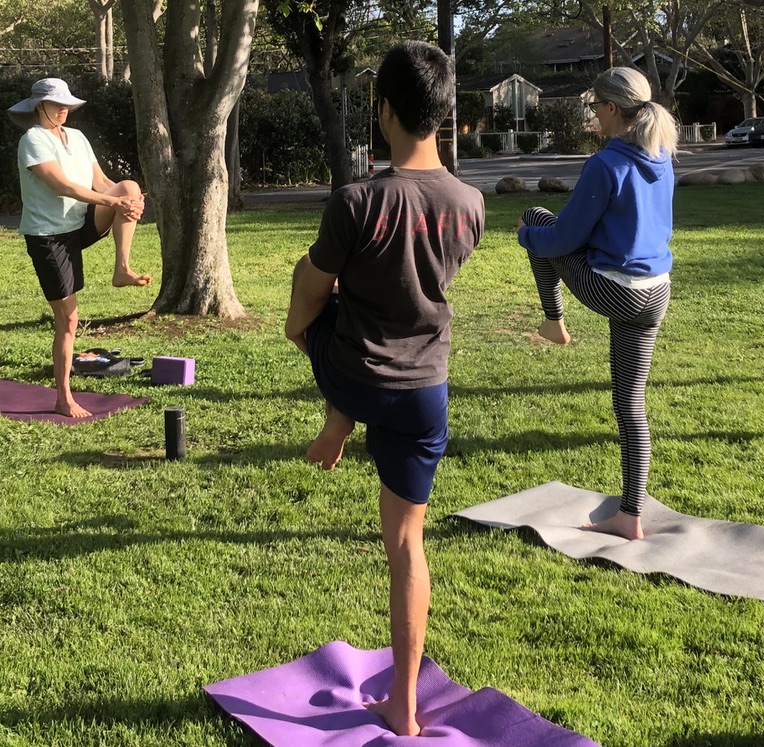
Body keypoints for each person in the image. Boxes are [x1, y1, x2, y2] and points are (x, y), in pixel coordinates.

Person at [284, 41, 484, 736]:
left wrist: (295, 323)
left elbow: (314, 289)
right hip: (426, 390)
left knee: (313, 298)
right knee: (407, 545)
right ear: (445, 112)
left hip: (356, 374)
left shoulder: (356, 200)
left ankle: (338, 419)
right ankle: (403, 704)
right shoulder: (472, 203)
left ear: (385, 111)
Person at [517, 67, 676, 541]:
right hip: (657, 292)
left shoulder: (605, 164)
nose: (594, 116)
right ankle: (630, 515)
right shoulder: (663, 153)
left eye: (595, 108)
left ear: (610, 109)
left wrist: (526, 235)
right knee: (631, 403)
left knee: (537, 217)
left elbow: (563, 237)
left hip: (617, 290)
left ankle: (553, 320)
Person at [8, 78, 149, 419]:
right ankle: (63, 398)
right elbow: (62, 185)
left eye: (67, 103)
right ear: (39, 107)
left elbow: (102, 183)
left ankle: (122, 269)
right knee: (69, 320)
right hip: (48, 236)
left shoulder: (78, 138)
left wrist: (129, 203)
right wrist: (109, 201)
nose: (65, 109)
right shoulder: (33, 140)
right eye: (58, 104)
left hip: (79, 225)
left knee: (127, 186)